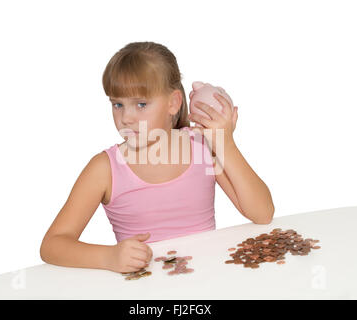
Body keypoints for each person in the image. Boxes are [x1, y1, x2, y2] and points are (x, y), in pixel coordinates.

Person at [40, 41, 275, 274]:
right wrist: (109, 256)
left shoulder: (202, 146)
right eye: (118, 104)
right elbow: (53, 245)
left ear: (173, 103)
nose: (126, 117)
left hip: (208, 282)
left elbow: (262, 213)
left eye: (141, 104)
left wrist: (226, 143)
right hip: (142, 295)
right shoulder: (105, 168)